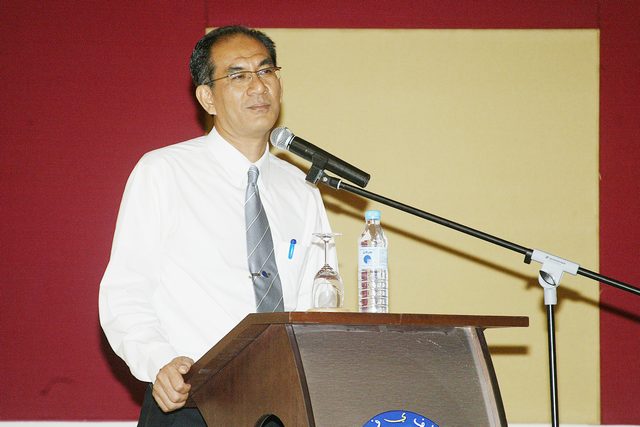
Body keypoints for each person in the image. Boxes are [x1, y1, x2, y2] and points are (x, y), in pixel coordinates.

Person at [99, 25, 335, 426]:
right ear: (207, 97)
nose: (258, 86)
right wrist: (159, 362)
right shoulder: (164, 172)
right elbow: (125, 290)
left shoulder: (301, 188)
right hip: (192, 400)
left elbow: (314, 300)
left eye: (266, 71)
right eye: (238, 75)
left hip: (284, 404)